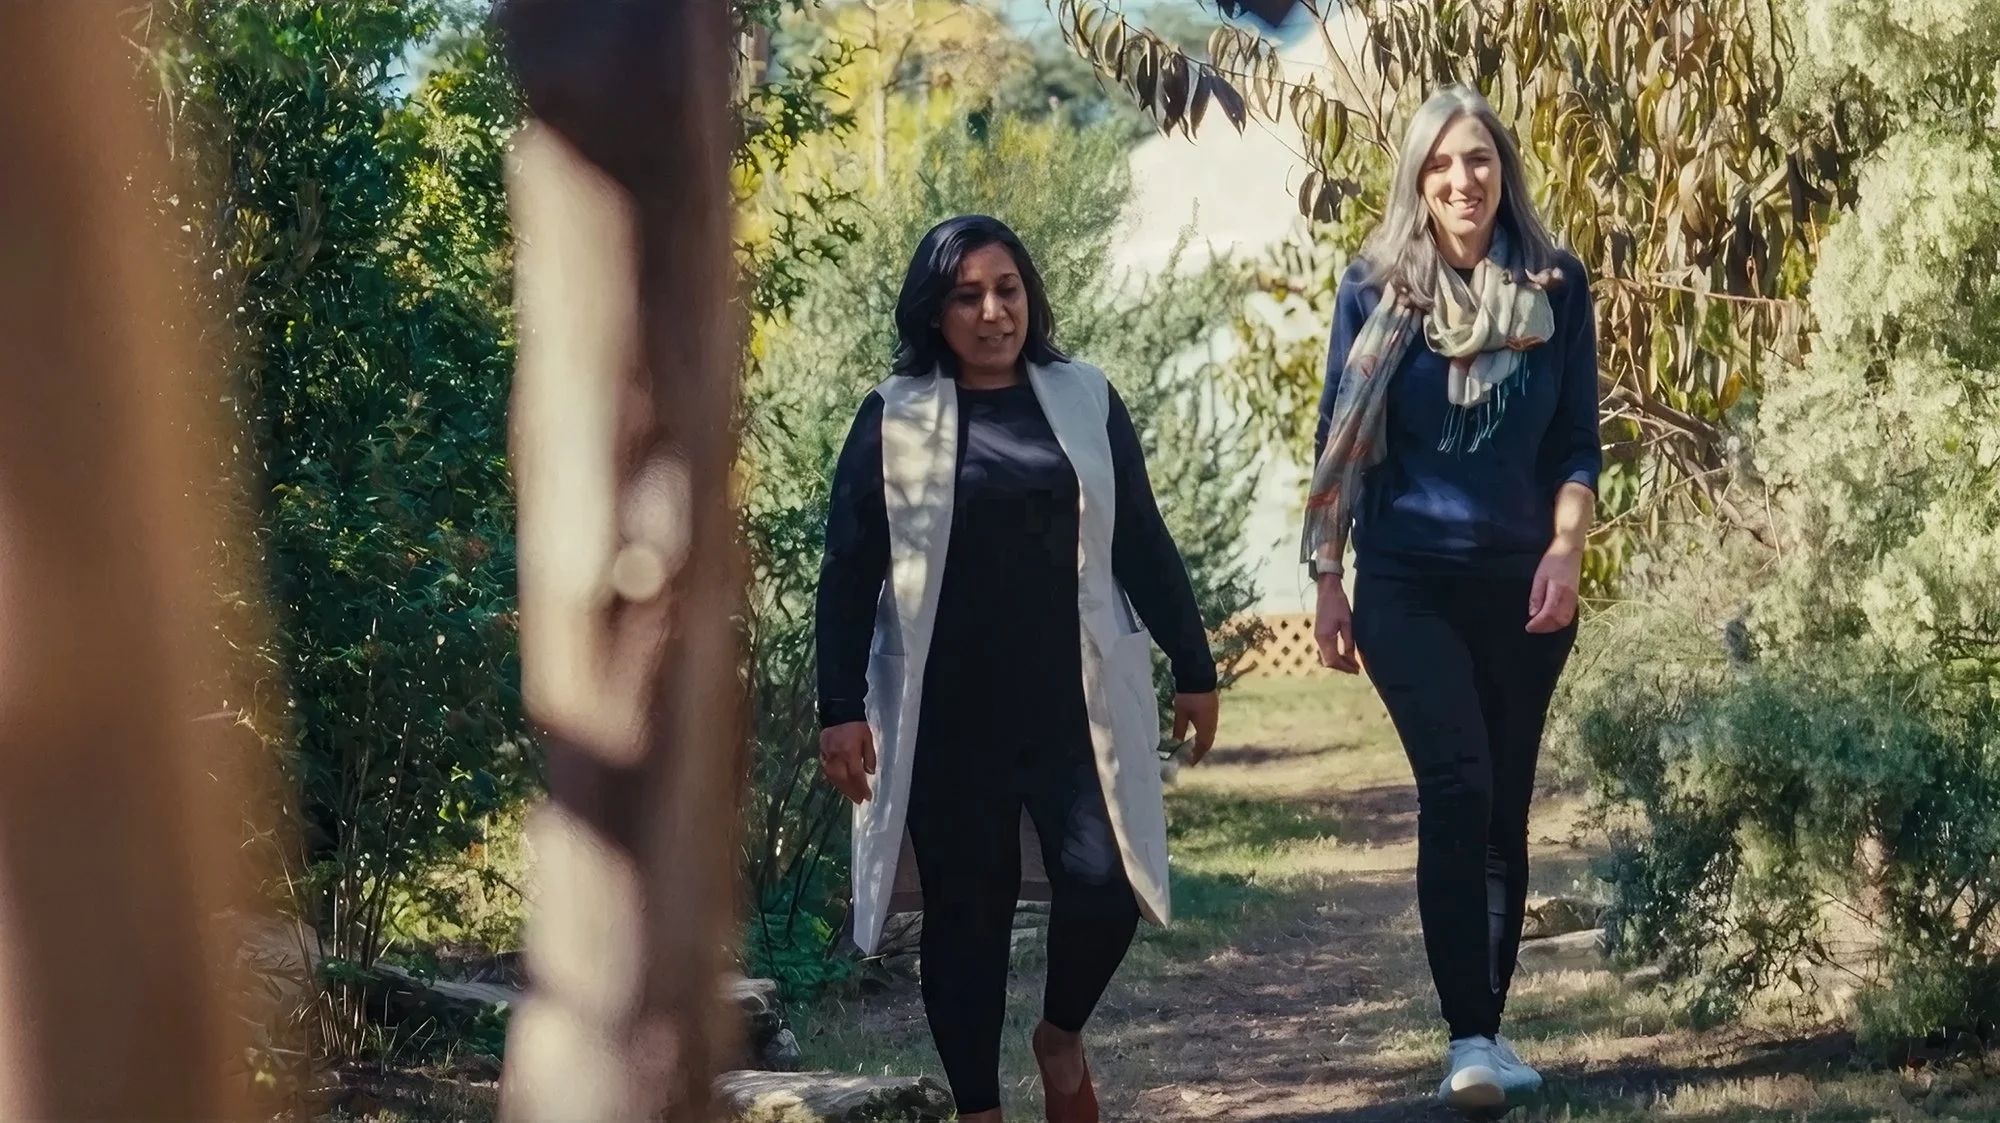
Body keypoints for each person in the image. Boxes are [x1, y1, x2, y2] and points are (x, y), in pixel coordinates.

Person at [816, 214, 1221, 1123]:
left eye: (1008, 290)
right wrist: (839, 705)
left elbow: (1141, 542)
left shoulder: (1084, 397)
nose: (993, 312)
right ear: (934, 311)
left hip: (1073, 707)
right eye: (968, 296)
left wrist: (1193, 663)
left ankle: (1060, 1035)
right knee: (967, 918)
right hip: (946, 716)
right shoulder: (894, 415)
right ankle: (979, 1110)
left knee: (1107, 887)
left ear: (1030, 296)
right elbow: (849, 566)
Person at [1303, 85, 1602, 1114]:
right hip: (1404, 583)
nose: (1460, 180)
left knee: (1502, 811)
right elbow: (1336, 433)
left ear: (1501, 170)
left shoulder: (1556, 286)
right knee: (1458, 783)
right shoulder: (1373, 287)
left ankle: (1486, 1027)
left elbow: (1575, 442)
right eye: (1439, 164)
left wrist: (1565, 552)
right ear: (1416, 180)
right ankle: (1467, 1036)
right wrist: (1324, 579)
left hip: (1524, 584)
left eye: (1476, 159)